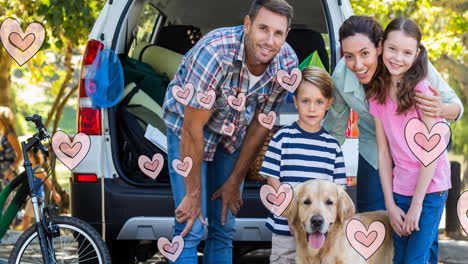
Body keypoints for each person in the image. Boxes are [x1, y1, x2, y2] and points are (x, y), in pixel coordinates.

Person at [162, 0, 298, 263]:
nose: (269, 40)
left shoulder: (287, 64)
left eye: (278, 33)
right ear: (247, 25)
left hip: (231, 134)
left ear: (286, 35)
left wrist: (235, 180)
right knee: (191, 225)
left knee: (224, 225)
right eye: (263, 29)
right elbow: (192, 129)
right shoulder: (215, 52)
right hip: (187, 130)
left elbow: (262, 122)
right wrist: (193, 194)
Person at [322, 15, 463, 213]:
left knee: (420, 219)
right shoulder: (340, 77)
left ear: (379, 47)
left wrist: (441, 109)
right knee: (373, 217)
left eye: (365, 53)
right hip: (375, 148)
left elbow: (456, 105)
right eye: (349, 56)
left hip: (418, 149)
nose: (358, 65)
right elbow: (334, 130)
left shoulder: (409, 62)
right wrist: (314, 167)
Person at [368, 17, 451, 264]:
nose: (398, 57)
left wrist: (416, 205)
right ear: (381, 47)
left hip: (430, 189)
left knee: (415, 259)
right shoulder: (377, 95)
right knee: (399, 257)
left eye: (406, 52)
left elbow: (431, 151)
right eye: (392, 49)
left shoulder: (422, 92)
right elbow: (383, 153)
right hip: (400, 187)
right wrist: (390, 205)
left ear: (416, 55)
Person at [260, 67, 346, 264]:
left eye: (319, 102)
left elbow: (338, 190)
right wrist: (292, 215)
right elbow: (272, 178)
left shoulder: (332, 146)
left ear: (328, 104)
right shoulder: (282, 138)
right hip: (285, 228)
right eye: (305, 101)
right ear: (295, 101)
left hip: (319, 230)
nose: (312, 108)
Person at [16, 149, 61, 231]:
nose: (28, 158)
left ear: (36, 157)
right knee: (39, 217)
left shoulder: (39, 170)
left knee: (27, 217)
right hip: (33, 197)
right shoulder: (30, 169)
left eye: (30, 156)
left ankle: (23, 235)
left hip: (38, 197)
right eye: (27, 156)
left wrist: (55, 194)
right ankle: (47, 230)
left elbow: (49, 183)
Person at [0, 107, 22, 191]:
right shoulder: (2, 134)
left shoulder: (10, 135)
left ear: (3, 120)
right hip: (2, 173)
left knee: (9, 201)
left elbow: (20, 155)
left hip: (8, 174)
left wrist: (11, 170)